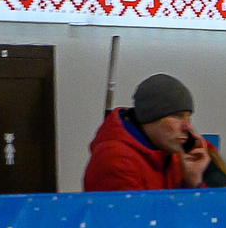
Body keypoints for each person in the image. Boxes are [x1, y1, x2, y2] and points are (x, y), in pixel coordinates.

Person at [83, 73, 214, 192]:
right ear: (149, 118)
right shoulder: (116, 161)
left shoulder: (175, 155)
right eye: (177, 116)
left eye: (188, 117)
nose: (188, 127)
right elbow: (140, 217)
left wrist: (193, 181)